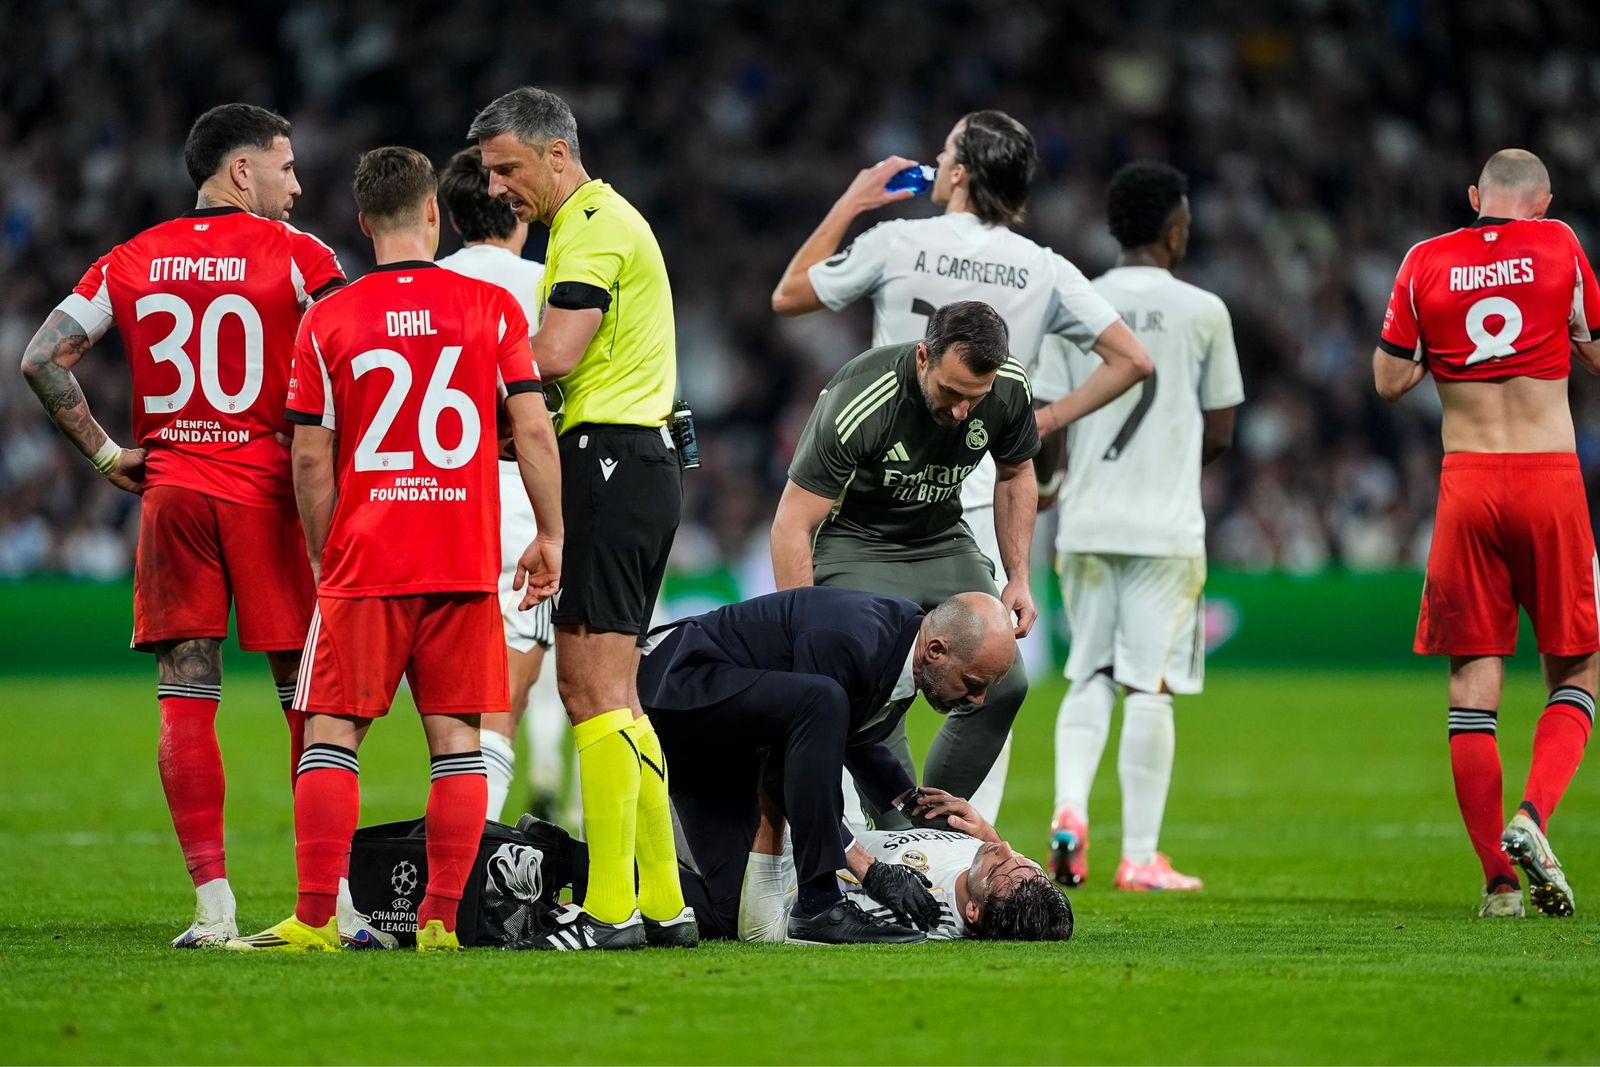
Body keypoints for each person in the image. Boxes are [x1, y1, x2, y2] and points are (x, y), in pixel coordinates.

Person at [16, 103, 370, 948]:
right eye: (286, 167)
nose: (296, 185)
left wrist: (108, 455)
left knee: (185, 691)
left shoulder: (130, 257)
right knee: (307, 696)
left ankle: (213, 910)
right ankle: (335, 902)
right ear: (242, 170)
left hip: (173, 493)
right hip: (270, 494)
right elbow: (356, 354)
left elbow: (41, 357)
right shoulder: (301, 256)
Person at [770, 111, 1153, 820]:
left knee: (949, 678)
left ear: (958, 171)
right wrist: (1049, 420)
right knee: (964, 675)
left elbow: (790, 294)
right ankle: (909, 832)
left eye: (945, 152)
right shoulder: (1043, 267)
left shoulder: (897, 241)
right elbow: (1132, 358)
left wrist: (853, 201)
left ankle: (928, 835)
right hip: (925, 503)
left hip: (941, 506)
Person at [227, 146, 563, 951]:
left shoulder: (330, 317)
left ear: (362, 222)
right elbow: (531, 427)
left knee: (330, 735)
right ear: (433, 212)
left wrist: (321, 554)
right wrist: (552, 532)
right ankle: (441, 921)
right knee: (458, 743)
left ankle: (316, 918)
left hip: (366, 557)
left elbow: (310, 458)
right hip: (461, 557)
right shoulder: (489, 307)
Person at [472, 86, 690, 948]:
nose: (495, 188)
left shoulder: (593, 226)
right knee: (620, 696)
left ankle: (607, 907)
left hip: (608, 461)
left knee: (588, 691)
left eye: (507, 168)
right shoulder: (595, 221)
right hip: (635, 463)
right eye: (489, 173)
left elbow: (556, 354)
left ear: (556, 154)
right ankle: (663, 902)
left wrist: (460, 378)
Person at [1374, 148, 1600, 919]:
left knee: (1472, 687)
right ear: (1543, 201)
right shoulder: (1560, 242)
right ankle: (1532, 815)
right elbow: (1596, 351)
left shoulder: (1425, 259)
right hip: (1548, 479)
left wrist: (1442, 352)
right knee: (1579, 667)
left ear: (1476, 195)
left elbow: (1388, 379)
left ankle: (1499, 883)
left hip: (1467, 482)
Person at [1048, 162, 1244, 893]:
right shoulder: (1204, 309)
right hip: (1164, 531)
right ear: (1175, 229)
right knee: (1150, 684)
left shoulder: (1077, 301)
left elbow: (1047, 418)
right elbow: (1220, 431)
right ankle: (1139, 855)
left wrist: (1053, 487)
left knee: (1090, 672)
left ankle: (1069, 811)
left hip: (1086, 519)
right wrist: (1171, 466)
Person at [769, 300, 1041, 826]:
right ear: (922, 357)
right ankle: (896, 826)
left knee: (1006, 682)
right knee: (875, 680)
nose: (962, 411)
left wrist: (1019, 577)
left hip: (943, 539)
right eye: (952, 392)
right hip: (859, 542)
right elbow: (792, 523)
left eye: (975, 398)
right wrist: (800, 628)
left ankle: (928, 826)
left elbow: (1016, 473)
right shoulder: (860, 399)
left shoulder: (1008, 386)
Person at [632, 587, 1017, 944]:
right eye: (972, 682)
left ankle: (597, 869)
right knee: (822, 700)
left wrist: (912, 803)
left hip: (722, 741)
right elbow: (790, 766)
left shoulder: (902, 643)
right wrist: (868, 868)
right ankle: (820, 904)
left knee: (732, 910)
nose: (978, 700)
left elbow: (849, 735)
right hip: (680, 685)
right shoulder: (853, 640)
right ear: (936, 650)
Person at [434, 145, 571, 824]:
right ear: (515, 207)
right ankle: (473, 850)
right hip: (518, 495)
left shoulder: (423, 284)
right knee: (505, 695)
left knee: (448, 701)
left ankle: (452, 845)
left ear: (451, 215)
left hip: (431, 498)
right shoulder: (546, 287)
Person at [738, 788, 1072, 943]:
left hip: (774, 850)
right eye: (1026, 860)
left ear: (972, 911)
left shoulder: (916, 908)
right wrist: (986, 833)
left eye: (1001, 865)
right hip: (844, 829)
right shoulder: (992, 878)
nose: (1006, 847)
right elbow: (1010, 877)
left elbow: (785, 918)